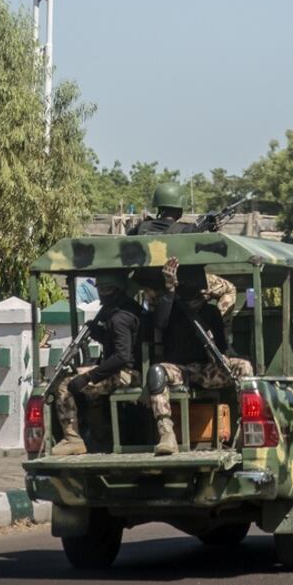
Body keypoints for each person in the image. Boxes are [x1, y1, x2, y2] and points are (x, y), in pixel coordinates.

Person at [148, 257, 253, 455]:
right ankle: (166, 433)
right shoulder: (173, 308)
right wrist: (170, 291)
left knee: (243, 367)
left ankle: (245, 427)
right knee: (157, 372)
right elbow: (160, 322)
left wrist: (212, 343)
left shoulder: (211, 312)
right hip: (181, 370)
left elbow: (221, 347)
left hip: (206, 369)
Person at [50, 271, 145, 456]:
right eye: (100, 289)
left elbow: (121, 356)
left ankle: (72, 439)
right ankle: (99, 435)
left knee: (66, 386)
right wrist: (97, 333)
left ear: (116, 291)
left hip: (128, 373)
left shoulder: (119, 318)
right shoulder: (127, 310)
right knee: (80, 382)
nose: (101, 294)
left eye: (105, 289)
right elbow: (121, 344)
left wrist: (88, 377)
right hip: (130, 370)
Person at [126, 181, 199, 236]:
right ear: (180, 211)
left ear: (159, 208)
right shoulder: (186, 230)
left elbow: (128, 235)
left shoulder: (142, 227)